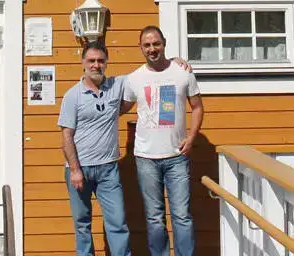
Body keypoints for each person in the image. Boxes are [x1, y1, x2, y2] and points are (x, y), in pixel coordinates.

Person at [58, 39, 191, 256]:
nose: (96, 65)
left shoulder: (117, 85)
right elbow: (66, 136)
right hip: (79, 168)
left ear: (106, 62)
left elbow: (148, 72)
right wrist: (74, 170)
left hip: (108, 169)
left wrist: (171, 62)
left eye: (100, 61)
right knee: (82, 224)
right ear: (83, 62)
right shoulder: (72, 95)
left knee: (117, 223)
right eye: (91, 61)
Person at [122, 25, 203, 256]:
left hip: (177, 156)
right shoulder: (134, 78)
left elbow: (197, 107)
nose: (152, 49)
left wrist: (191, 138)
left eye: (156, 44)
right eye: (147, 45)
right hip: (146, 158)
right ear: (140, 48)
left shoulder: (182, 72)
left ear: (164, 43)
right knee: (154, 218)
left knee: (182, 216)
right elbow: (119, 107)